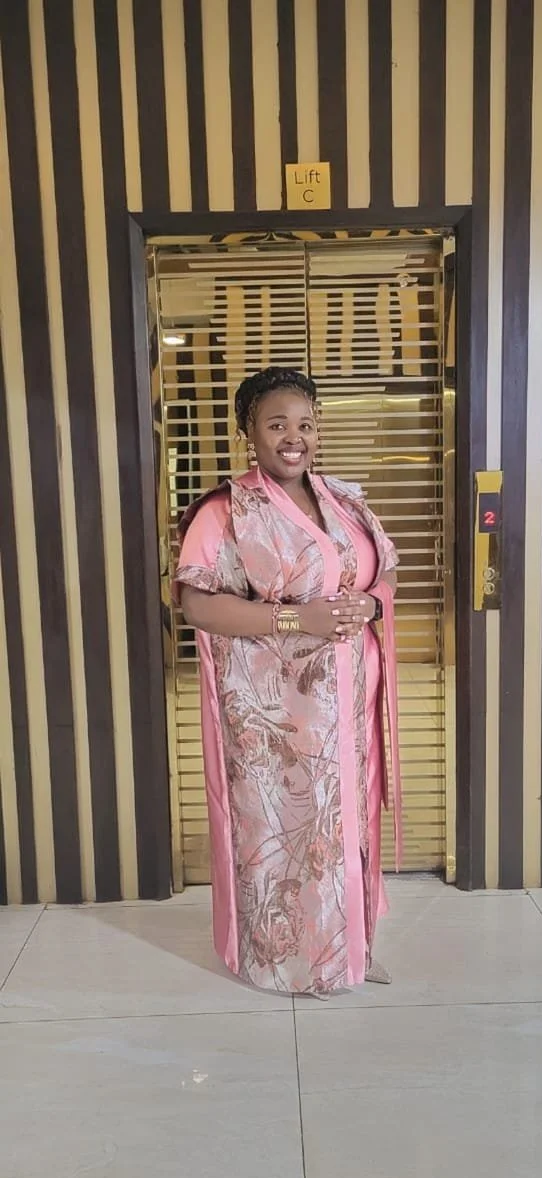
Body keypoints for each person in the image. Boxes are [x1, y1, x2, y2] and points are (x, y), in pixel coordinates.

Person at [173, 367, 402, 998]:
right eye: (276, 425)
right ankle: (286, 964)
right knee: (285, 837)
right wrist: (301, 618)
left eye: (305, 424)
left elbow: (383, 572)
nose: (293, 438)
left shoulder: (344, 500)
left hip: (350, 705)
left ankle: (349, 951)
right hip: (277, 722)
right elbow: (199, 604)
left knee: (347, 827)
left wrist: (371, 605)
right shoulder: (226, 510)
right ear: (248, 431)